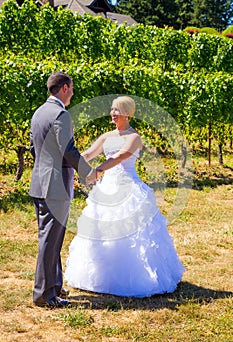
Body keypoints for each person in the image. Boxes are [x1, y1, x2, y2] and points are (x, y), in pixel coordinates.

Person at [65, 96, 185, 298]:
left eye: (117, 110)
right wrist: (69, 163)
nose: (113, 113)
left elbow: (121, 156)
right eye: (112, 109)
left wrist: (98, 170)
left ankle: (135, 278)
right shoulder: (106, 136)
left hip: (128, 187)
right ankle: (101, 276)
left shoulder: (133, 137)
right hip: (106, 189)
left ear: (128, 113)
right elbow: (87, 154)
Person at [29, 72, 97, 308]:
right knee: (50, 241)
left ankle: (54, 286)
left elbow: (33, 148)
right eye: (73, 88)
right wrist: (88, 172)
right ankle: (44, 295)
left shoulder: (38, 113)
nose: (74, 93)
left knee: (52, 239)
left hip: (39, 183)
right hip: (55, 186)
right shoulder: (61, 114)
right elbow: (68, 149)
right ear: (65, 88)